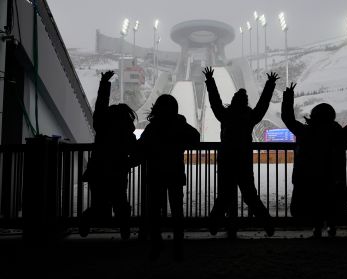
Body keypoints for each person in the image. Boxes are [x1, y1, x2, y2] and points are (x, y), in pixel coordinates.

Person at [281, 82, 347, 237]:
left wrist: (288, 96)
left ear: (313, 115)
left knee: (312, 202)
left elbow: (288, 119)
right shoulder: (336, 133)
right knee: (329, 201)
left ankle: (317, 226)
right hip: (330, 175)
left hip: (307, 175)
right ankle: (331, 224)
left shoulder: (305, 131)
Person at [203, 66, 278, 238]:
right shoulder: (250, 117)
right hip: (243, 160)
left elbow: (215, 101)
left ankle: (214, 225)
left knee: (223, 196)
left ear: (234, 100)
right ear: (245, 103)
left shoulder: (225, 115)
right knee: (250, 195)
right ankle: (267, 225)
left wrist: (210, 81)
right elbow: (263, 104)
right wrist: (270, 84)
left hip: (226, 159)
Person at [137, 94, 200, 261]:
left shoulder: (153, 127)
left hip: (155, 174)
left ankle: (157, 245)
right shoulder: (179, 126)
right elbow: (195, 138)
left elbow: (140, 148)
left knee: (155, 212)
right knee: (177, 212)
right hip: (175, 174)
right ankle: (178, 248)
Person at [79, 71, 137, 240]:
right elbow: (136, 153)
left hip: (97, 172)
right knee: (121, 204)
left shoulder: (102, 128)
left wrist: (105, 83)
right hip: (118, 174)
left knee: (99, 206)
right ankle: (125, 230)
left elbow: (100, 106)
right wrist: (128, 164)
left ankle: (86, 219)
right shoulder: (127, 134)